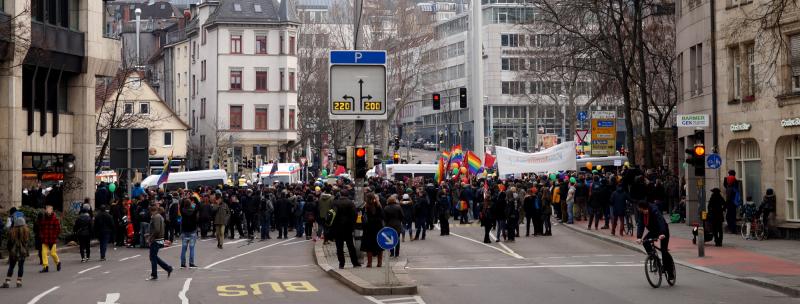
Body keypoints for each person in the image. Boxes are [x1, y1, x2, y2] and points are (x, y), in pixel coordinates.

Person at [636, 200, 675, 282]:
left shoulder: (654, 210)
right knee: (645, 242)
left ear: (645, 208)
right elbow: (641, 224)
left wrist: (662, 233)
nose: (641, 211)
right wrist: (639, 237)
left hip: (663, 231)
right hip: (653, 231)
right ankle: (653, 257)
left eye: (641, 210)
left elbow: (660, 221)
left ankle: (670, 272)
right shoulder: (642, 213)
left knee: (664, 251)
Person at [331, 190, 361, 269]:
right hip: (348, 227)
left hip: (337, 227)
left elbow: (332, 215)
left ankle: (341, 264)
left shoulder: (335, 203)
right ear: (347, 195)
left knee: (339, 247)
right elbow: (355, 215)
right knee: (350, 245)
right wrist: (353, 225)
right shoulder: (350, 203)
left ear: (340, 194)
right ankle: (354, 262)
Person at [147, 205, 173, 281]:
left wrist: (150, 238)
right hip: (158, 239)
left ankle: (154, 274)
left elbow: (157, 229)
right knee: (153, 257)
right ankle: (168, 268)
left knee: (153, 257)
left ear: (152, 211)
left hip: (156, 240)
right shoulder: (159, 216)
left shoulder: (155, 217)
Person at [2, 217, 29, 288]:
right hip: (22, 251)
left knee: (11, 266)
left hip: (13, 251)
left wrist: (10, 250)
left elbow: (9, 243)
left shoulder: (12, 232)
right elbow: (27, 242)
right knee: (21, 266)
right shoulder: (26, 232)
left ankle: (7, 282)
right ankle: (19, 281)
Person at [360, 193, 385, 267]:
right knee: (379, 245)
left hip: (368, 229)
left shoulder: (365, 207)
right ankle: (379, 263)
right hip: (378, 228)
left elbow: (363, 218)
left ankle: (369, 263)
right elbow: (383, 216)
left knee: (369, 247)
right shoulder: (378, 206)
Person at [38, 205, 61, 273]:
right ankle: (45, 267)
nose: (48, 211)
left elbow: (58, 229)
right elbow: (41, 228)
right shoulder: (43, 219)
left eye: (49, 209)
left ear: (52, 210)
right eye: (47, 209)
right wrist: (41, 235)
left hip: (52, 239)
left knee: (53, 253)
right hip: (45, 239)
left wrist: (54, 236)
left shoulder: (55, 219)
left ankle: (58, 262)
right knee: (44, 253)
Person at [180, 198, 200, 268]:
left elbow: (180, 205)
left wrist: (184, 199)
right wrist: (194, 198)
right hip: (192, 231)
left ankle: (182, 263)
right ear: (190, 204)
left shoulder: (182, 211)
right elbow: (198, 205)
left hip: (184, 231)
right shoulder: (194, 211)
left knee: (184, 248)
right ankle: (191, 263)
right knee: (192, 248)